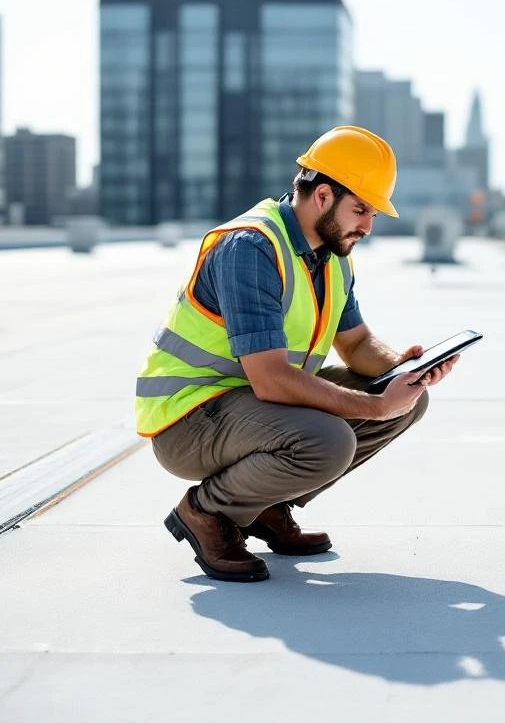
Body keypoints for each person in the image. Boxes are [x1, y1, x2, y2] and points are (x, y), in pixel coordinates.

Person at [135, 125, 459, 583]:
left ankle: (264, 504)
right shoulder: (250, 248)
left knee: (406, 401)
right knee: (330, 440)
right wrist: (374, 405)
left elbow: (357, 344)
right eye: (361, 210)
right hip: (190, 419)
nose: (367, 227)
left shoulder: (332, 255)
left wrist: (405, 369)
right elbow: (272, 379)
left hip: (252, 411)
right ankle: (205, 512)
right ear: (323, 196)